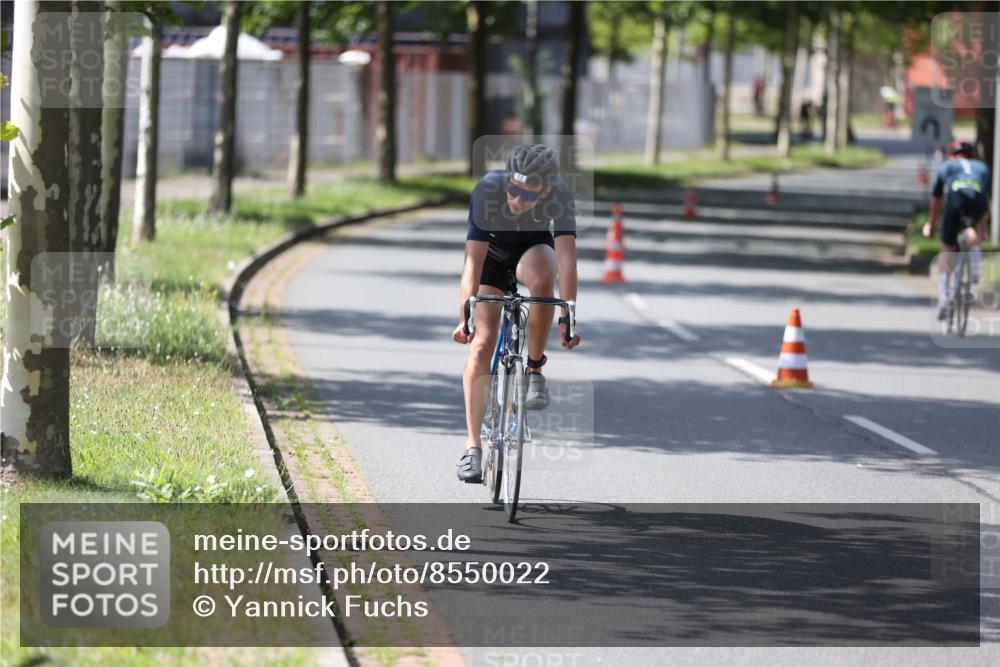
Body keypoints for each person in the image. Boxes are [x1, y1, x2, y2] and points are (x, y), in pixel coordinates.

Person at [452, 144, 581, 483]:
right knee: (482, 343)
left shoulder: (561, 195)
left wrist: (568, 317)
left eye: (528, 194)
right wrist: (464, 315)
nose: (517, 199)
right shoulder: (488, 189)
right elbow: (472, 262)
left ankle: (534, 368)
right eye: (514, 188)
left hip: (532, 249)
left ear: (547, 191)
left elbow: (567, 261)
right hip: (491, 258)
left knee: (544, 279)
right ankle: (472, 446)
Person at [922, 140, 992, 319]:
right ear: (972, 155)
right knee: (973, 231)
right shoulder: (982, 167)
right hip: (977, 201)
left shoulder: (946, 166)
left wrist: (931, 224)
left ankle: (945, 296)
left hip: (955, 199)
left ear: (951, 155)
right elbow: (985, 200)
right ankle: (974, 272)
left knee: (947, 246)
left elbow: (937, 200)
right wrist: (983, 230)